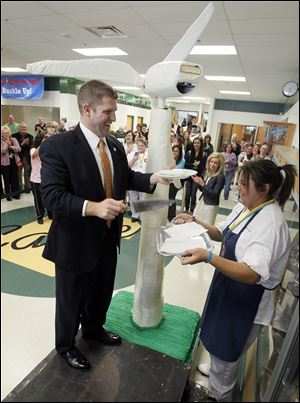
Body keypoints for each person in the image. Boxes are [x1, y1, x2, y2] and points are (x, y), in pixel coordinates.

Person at [39, 79, 168, 372]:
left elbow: (124, 178)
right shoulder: (57, 147)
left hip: (108, 238)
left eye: (114, 111)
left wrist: (152, 178)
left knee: (101, 292)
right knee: (71, 301)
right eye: (108, 112)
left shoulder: (114, 144)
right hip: (74, 244)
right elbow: (52, 196)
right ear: (87, 108)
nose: (114, 118)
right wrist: (93, 207)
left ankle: (94, 329)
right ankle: (66, 346)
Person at [173, 159, 296, 402]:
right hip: (228, 288)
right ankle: (218, 368)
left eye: (244, 185)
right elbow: (222, 231)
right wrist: (196, 222)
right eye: (238, 183)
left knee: (228, 351)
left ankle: (219, 395)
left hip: (247, 302)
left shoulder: (270, 224)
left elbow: (252, 274)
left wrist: (208, 257)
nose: (238, 188)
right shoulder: (246, 206)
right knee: (218, 342)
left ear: (265, 188)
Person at [192, 152, 225, 225]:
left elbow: (215, 194)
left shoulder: (220, 177)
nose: (212, 164)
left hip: (210, 206)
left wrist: (202, 184)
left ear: (219, 165)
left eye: (215, 163)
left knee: (206, 227)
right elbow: (203, 190)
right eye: (211, 162)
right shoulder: (209, 173)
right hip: (202, 202)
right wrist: (199, 183)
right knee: (196, 224)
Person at [127, 138, 148, 223]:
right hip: (133, 178)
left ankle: (142, 216)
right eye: (138, 145)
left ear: (145, 146)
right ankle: (135, 215)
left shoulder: (149, 154)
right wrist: (134, 159)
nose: (140, 147)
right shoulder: (132, 154)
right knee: (133, 198)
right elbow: (127, 166)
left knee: (143, 198)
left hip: (144, 179)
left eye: (142, 146)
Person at [12, 122, 33, 193]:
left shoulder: (30, 136)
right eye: (22, 127)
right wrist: (22, 143)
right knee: (18, 173)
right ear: (19, 128)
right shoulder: (14, 136)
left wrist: (28, 144)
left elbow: (31, 147)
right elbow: (15, 148)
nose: (23, 129)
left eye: (25, 127)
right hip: (18, 157)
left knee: (27, 173)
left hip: (26, 157)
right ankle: (19, 188)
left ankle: (27, 188)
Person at [1, 126, 21, 201]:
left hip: (13, 162)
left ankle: (16, 194)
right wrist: (6, 145)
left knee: (15, 179)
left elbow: (19, 149)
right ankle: (8, 195)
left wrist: (11, 147)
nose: (6, 134)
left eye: (7, 133)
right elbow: (2, 151)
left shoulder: (13, 139)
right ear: (1, 134)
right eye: (4, 133)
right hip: (4, 163)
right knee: (6, 180)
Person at [167, 144, 185, 221]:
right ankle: (168, 213)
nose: (174, 152)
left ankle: (171, 216)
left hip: (176, 182)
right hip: (168, 181)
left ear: (180, 152)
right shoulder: (169, 158)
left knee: (171, 197)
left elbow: (176, 171)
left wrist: (169, 168)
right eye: (173, 151)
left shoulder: (182, 160)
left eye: (177, 151)